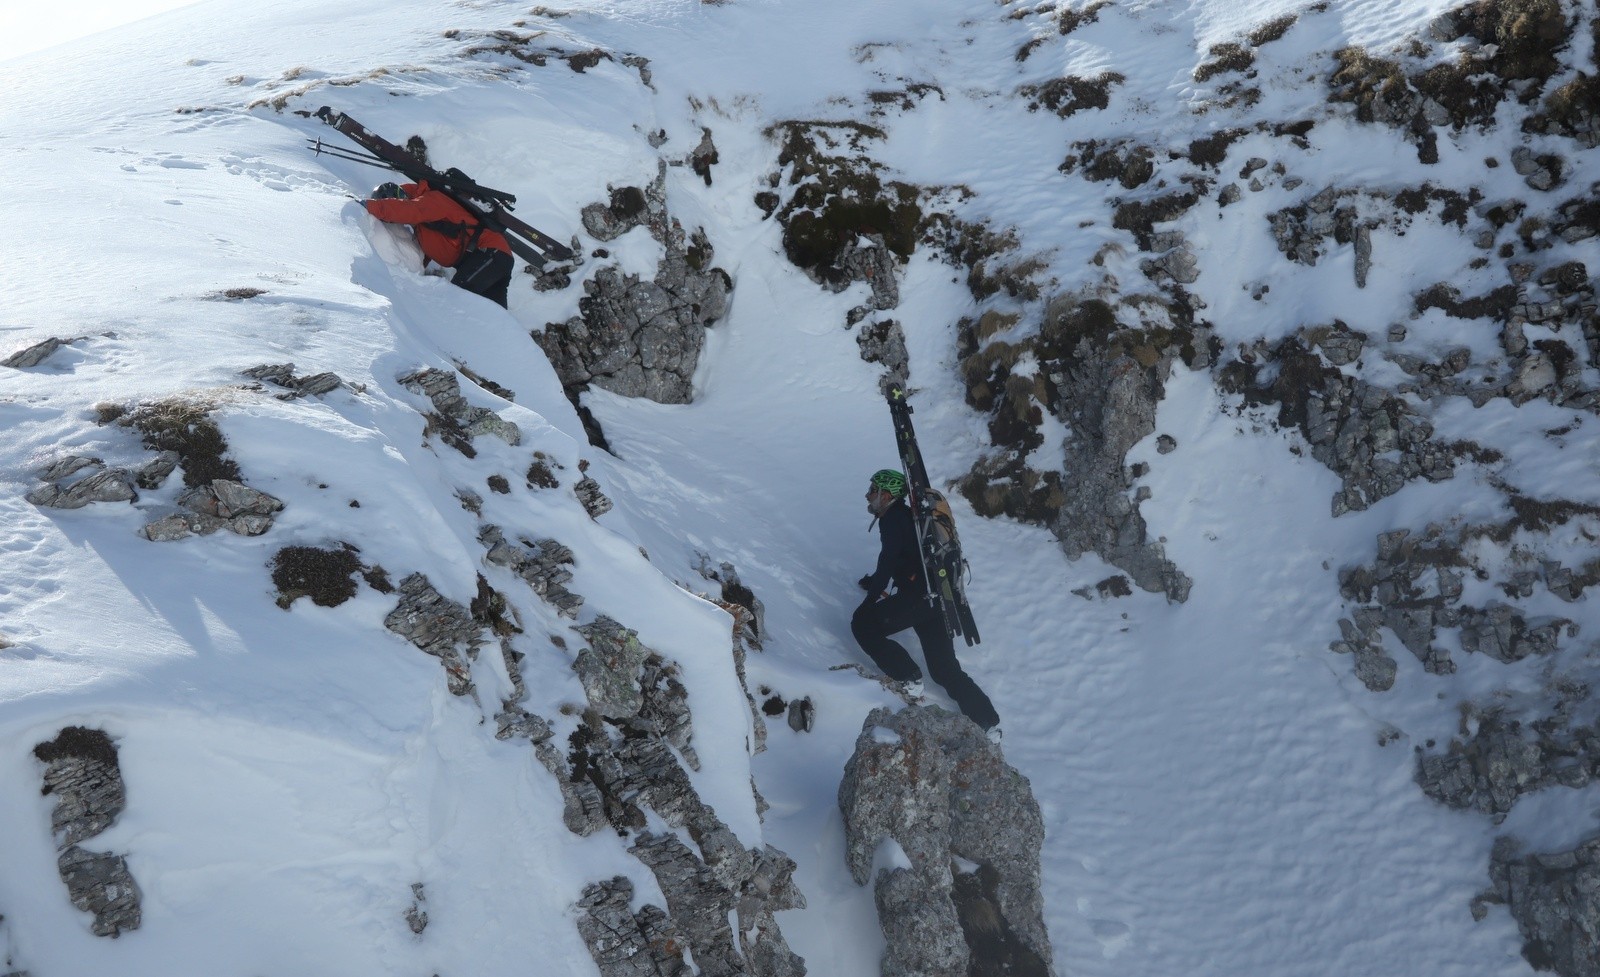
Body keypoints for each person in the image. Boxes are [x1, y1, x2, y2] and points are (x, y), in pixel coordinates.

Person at [852, 468, 1000, 735]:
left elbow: (888, 561)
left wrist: (871, 598)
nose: (868, 495)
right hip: (939, 598)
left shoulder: (894, 519)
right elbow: (898, 558)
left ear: (886, 496)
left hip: (920, 598)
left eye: (873, 490)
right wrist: (872, 581)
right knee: (945, 669)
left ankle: (908, 677)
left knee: (862, 624)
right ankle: (988, 723)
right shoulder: (910, 517)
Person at [364, 181, 514, 307]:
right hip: (489, 257)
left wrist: (369, 206)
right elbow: (434, 246)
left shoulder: (431, 200)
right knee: (494, 316)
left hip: (490, 252)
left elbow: (411, 210)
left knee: (458, 298)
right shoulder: (422, 223)